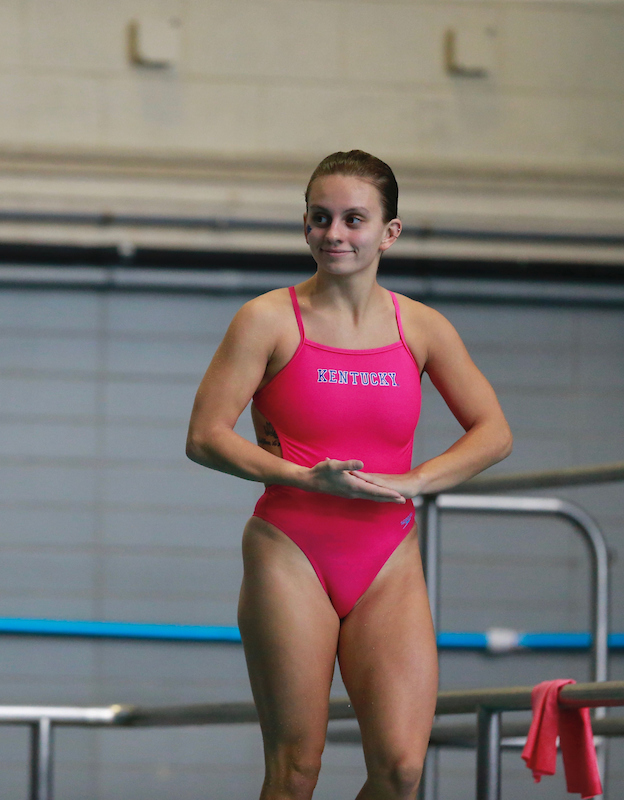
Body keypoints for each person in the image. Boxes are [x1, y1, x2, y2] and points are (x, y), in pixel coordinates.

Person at [185, 150, 512, 800]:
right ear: (304, 224)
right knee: (297, 768)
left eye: (354, 219)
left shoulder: (420, 327)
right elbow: (205, 437)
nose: (335, 233)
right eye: (320, 217)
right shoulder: (268, 320)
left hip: (388, 553)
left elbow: (494, 432)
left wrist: (420, 479)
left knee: (401, 771)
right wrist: (303, 477)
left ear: (389, 232)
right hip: (292, 548)